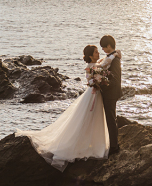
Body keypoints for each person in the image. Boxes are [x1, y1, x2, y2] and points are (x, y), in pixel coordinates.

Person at [16, 43, 120, 171]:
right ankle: (83, 144)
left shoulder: (94, 65)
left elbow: (102, 63)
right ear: (90, 55)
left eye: (98, 51)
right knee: (86, 119)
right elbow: (102, 66)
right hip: (93, 96)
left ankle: (92, 143)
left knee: (94, 119)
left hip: (96, 95)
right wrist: (114, 55)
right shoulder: (92, 67)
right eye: (96, 52)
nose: (98, 53)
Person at [98, 35, 122, 155]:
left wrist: (102, 84)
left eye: (103, 47)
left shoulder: (115, 60)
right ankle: (112, 143)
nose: (102, 49)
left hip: (111, 94)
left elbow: (115, 80)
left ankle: (114, 146)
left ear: (108, 46)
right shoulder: (112, 58)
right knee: (110, 118)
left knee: (111, 119)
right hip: (108, 93)